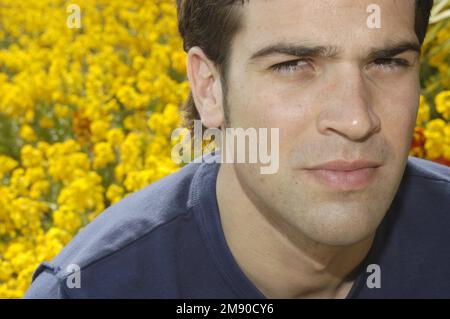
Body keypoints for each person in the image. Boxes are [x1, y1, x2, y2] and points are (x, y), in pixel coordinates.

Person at [25, 0, 450, 299]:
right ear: (208, 88)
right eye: (293, 65)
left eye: (388, 62)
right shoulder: (91, 290)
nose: (357, 119)